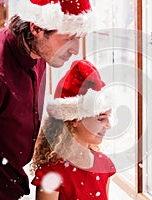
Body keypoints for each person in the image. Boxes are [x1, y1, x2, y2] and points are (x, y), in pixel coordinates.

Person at [0, 0, 94, 199]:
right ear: (36, 28)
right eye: (69, 38)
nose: (75, 49)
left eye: (79, 38)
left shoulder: (38, 53)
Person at [31, 60, 116, 200]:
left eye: (108, 117)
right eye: (101, 118)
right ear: (75, 119)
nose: (108, 125)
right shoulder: (53, 172)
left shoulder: (104, 165)